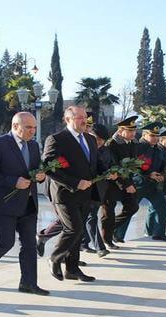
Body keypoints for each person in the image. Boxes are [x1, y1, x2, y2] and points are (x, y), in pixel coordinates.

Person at [0, 112, 49, 295]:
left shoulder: (33, 145)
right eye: (28, 127)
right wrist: (12, 181)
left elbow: (35, 169)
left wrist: (40, 176)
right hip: (3, 203)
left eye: (34, 127)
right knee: (5, 242)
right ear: (16, 126)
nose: (32, 131)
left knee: (29, 244)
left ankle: (28, 283)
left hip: (28, 203)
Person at [42, 106, 116, 282]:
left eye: (85, 117)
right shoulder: (56, 139)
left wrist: (108, 172)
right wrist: (75, 182)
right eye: (80, 118)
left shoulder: (90, 139)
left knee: (79, 231)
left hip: (86, 194)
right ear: (68, 119)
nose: (84, 121)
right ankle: (55, 257)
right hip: (65, 194)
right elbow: (48, 167)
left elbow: (96, 163)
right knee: (73, 229)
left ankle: (72, 269)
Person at [103, 116, 140, 247]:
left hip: (127, 181)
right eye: (129, 131)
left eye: (134, 131)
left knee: (133, 206)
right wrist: (126, 184)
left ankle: (109, 229)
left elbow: (131, 164)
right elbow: (114, 166)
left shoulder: (134, 142)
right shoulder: (111, 144)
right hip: (112, 183)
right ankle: (107, 240)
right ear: (120, 131)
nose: (133, 134)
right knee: (108, 212)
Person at [134, 124, 166, 241]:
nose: (155, 138)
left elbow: (160, 164)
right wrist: (149, 174)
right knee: (130, 208)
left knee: (161, 204)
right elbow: (133, 166)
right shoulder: (139, 147)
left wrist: (165, 172)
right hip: (139, 184)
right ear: (145, 135)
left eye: (157, 136)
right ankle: (117, 235)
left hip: (153, 185)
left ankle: (159, 233)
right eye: (152, 135)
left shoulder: (156, 148)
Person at [83, 123, 115, 258]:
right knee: (90, 217)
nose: (99, 142)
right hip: (83, 188)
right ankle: (100, 247)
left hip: (99, 189)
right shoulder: (83, 148)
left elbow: (112, 165)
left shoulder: (105, 151)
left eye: (102, 140)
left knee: (88, 216)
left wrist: (113, 173)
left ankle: (84, 243)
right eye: (96, 138)